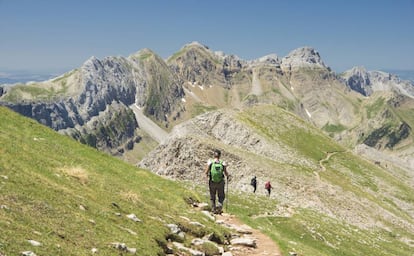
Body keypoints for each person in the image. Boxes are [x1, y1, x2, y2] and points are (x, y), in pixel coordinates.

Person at [205, 149, 229, 214]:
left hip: (212, 182)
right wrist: (228, 176)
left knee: (212, 196)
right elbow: (225, 173)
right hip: (220, 182)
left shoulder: (210, 162)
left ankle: (213, 209)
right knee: (221, 196)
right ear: (220, 155)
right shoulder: (222, 163)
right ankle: (219, 206)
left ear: (214, 155)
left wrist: (207, 176)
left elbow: (206, 172)